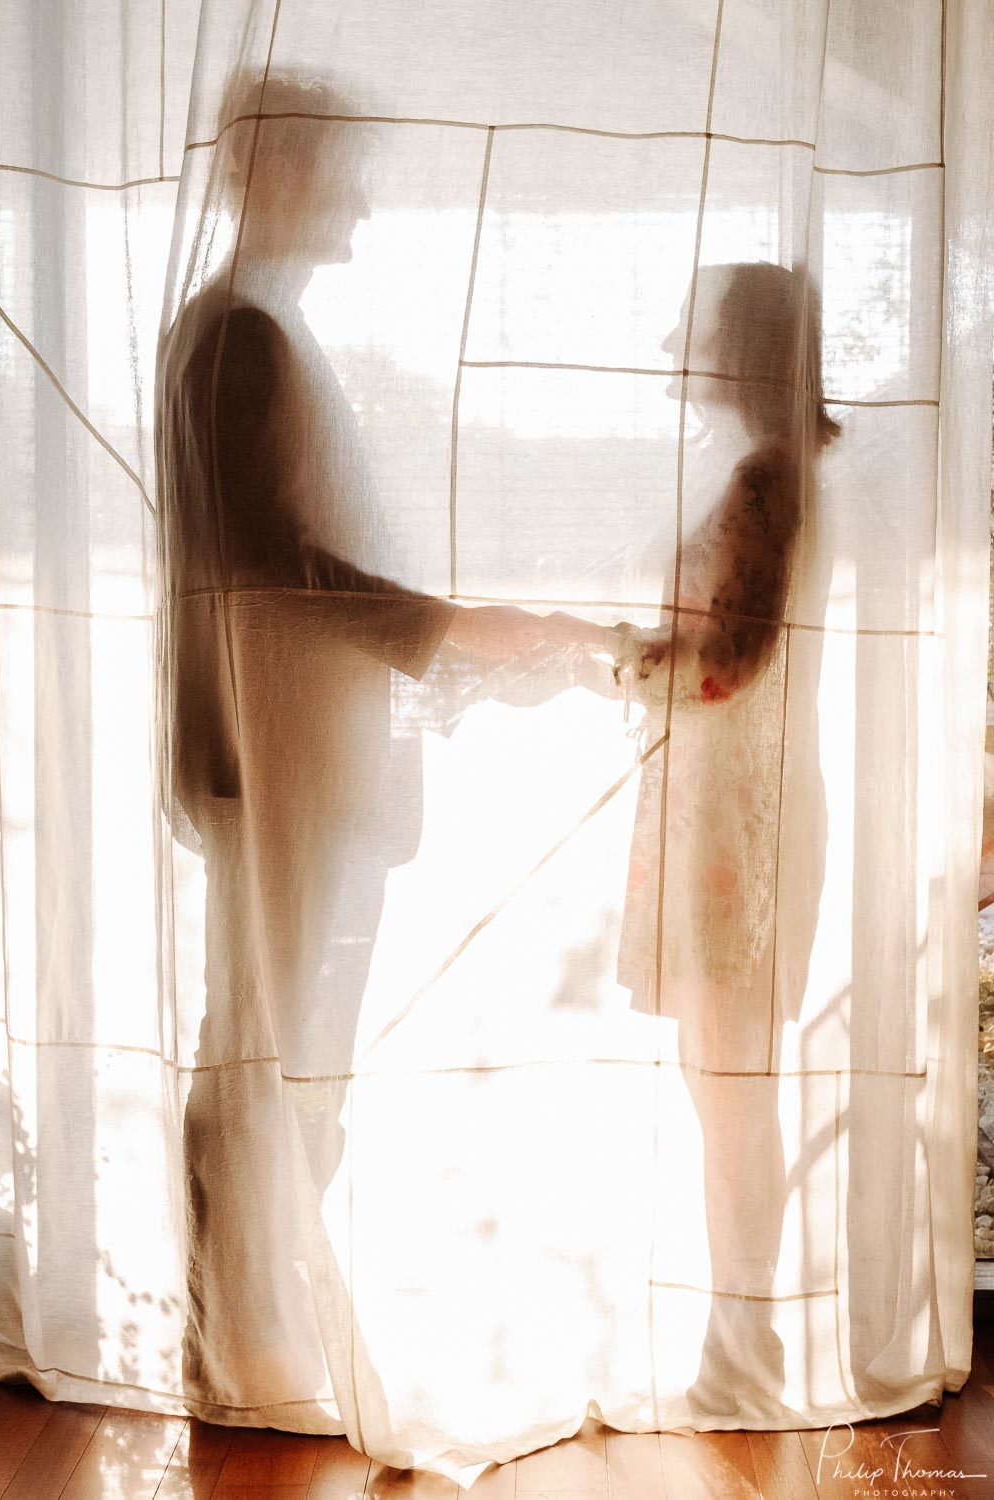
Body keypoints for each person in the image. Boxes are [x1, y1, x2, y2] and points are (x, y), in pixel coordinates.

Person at [156, 66, 618, 1409]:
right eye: (342, 177)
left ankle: (250, 1332)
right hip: (271, 769)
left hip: (286, 761)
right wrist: (466, 627)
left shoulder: (249, 332)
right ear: (273, 172)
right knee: (267, 1049)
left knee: (274, 1046)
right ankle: (247, 1349)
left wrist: (479, 640)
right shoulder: (237, 336)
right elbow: (274, 570)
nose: (359, 212)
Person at [613, 261, 840, 1418]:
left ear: (742, 352)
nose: (671, 345)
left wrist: (607, 654)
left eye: (691, 331)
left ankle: (742, 1360)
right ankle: (739, 1347)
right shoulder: (786, 471)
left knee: (730, 1088)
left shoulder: (765, 478)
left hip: (732, 824)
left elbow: (724, 666)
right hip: (743, 809)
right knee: (731, 1087)